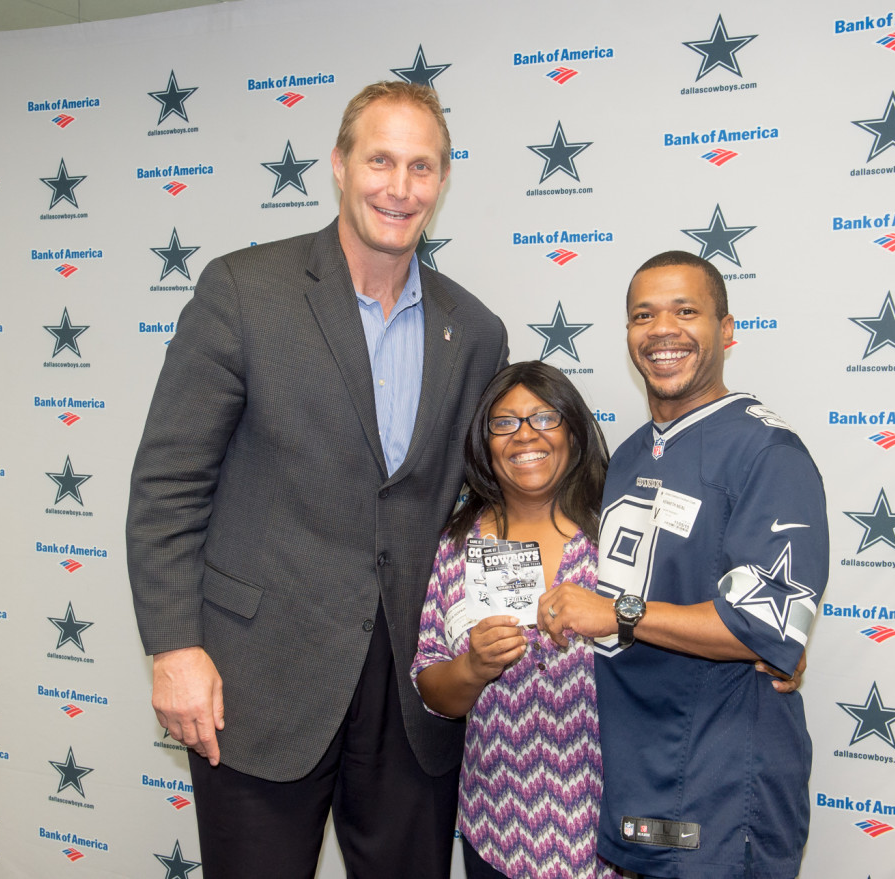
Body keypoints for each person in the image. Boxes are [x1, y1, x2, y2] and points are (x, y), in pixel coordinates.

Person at [126, 81, 507, 879]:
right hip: (257, 681)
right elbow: (168, 485)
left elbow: (484, 500)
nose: (399, 188)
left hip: (411, 696)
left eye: (422, 167)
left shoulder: (474, 331)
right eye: (380, 160)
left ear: (443, 181)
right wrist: (174, 646)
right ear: (338, 165)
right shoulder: (243, 291)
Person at [538, 251, 829, 879]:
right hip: (639, 770)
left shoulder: (768, 452)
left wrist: (614, 613)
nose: (662, 330)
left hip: (721, 783)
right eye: (643, 315)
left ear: (726, 330)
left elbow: (766, 628)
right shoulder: (633, 451)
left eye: (685, 311)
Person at [410, 360, 622, 879]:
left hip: (611, 832)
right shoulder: (459, 545)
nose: (525, 435)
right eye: (504, 423)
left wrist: (757, 653)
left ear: (573, 430)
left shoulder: (620, 533)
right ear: (485, 443)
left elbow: (678, 629)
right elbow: (433, 689)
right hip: (497, 829)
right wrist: (474, 667)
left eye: (544, 418)